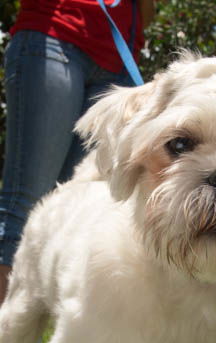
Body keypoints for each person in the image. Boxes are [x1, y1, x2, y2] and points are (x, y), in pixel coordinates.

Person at [0, 0, 155, 304]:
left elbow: (146, 13)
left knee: (77, 201)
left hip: (119, 62)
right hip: (55, 35)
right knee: (26, 199)